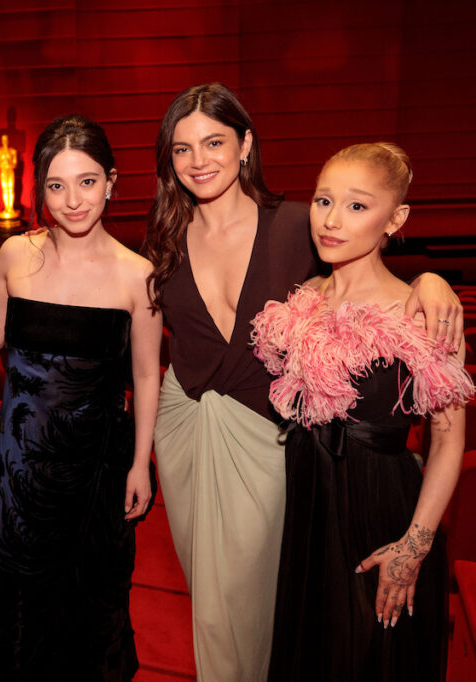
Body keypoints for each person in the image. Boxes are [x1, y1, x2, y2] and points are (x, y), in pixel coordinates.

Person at [140, 83, 464, 681]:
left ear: (246, 146)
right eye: (181, 148)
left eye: (214, 141)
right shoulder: (287, 291)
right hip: (262, 468)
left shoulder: (302, 233)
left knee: (354, 644)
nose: (199, 159)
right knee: (281, 632)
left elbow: (445, 434)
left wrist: (433, 278)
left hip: (320, 473)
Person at [252, 143, 472, 680]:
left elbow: (447, 443)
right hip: (307, 510)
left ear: (395, 219)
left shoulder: (422, 315)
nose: (330, 220)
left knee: (370, 658)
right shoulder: (302, 297)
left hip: (381, 508)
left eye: (356, 206)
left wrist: (412, 549)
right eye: (324, 200)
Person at [0, 114, 160, 681]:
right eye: (56, 186)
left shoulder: (139, 275)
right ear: (40, 192)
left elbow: (148, 376)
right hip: (21, 464)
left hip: (97, 465)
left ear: (112, 181)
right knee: (24, 600)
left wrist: (140, 465)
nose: (72, 200)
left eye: (86, 182)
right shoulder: (15, 255)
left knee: (93, 598)